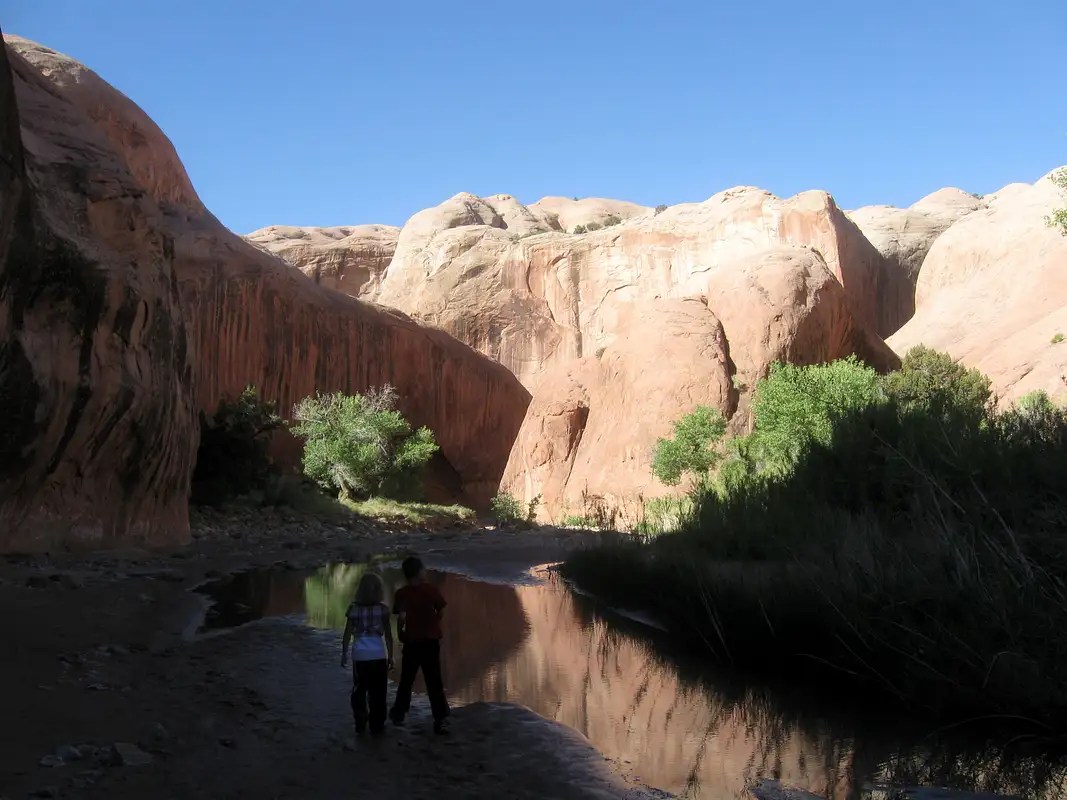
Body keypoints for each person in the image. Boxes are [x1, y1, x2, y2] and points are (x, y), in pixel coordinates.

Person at [389, 556, 451, 734]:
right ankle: (440, 718)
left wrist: (400, 632)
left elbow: (401, 617)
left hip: (412, 641)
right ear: (418, 572)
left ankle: (399, 713)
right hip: (430, 640)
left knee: (407, 679)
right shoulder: (431, 590)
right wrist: (436, 620)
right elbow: (442, 608)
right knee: (434, 680)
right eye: (423, 569)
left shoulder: (402, 594)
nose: (425, 571)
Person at [341, 571, 393, 737]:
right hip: (378, 655)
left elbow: (347, 634)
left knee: (359, 689)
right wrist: (391, 655)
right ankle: (377, 724)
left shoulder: (353, 609)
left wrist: (344, 653)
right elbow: (389, 636)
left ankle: (360, 719)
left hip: (360, 656)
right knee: (379, 692)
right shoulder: (383, 610)